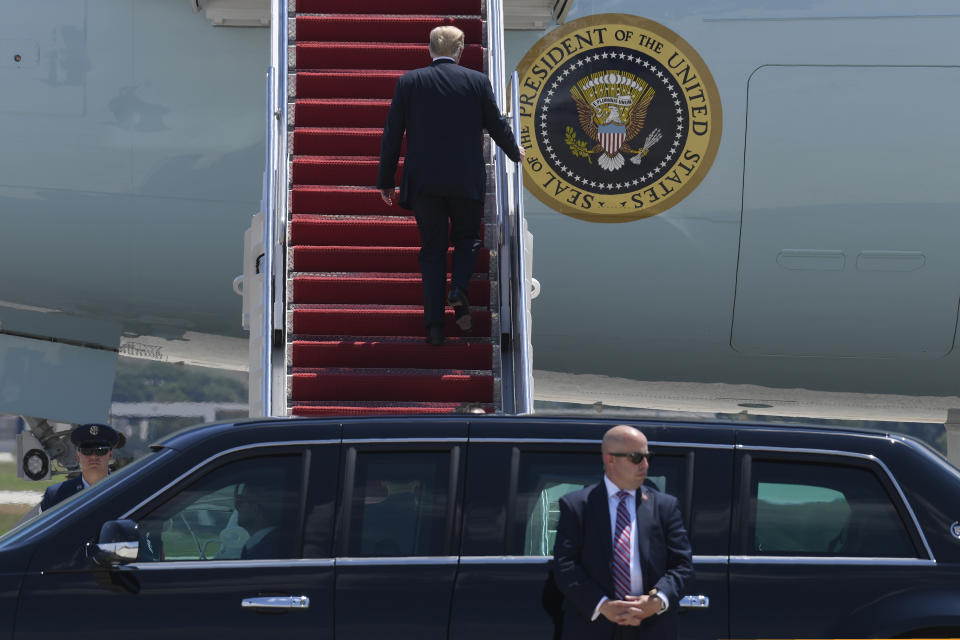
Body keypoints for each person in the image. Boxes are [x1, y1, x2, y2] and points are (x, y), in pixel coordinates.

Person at [377, 25, 525, 346]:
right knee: (468, 239)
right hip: (465, 180)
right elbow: (497, 124)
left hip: (424, 184)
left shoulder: (409, 83)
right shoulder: (476, 82)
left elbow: (392, 135)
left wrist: (386, 181)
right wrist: (515, 153)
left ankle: (434, 327)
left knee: (432, 250)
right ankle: (457, 287)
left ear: (429, 49)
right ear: (460, 51)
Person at [552, 425, 693, 640]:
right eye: (636, 457)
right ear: (610, 460)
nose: (645, 464)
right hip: (593, 626)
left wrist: (656, 601)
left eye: (648, 457)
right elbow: (565, 565)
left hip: (652, 628)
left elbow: (683, 565)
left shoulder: (664, 506)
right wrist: (603, 605)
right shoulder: (577, 505)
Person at [39, 423, 123, 512]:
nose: (93, 457)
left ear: (110, 454)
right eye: (87, 451)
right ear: (78, 456)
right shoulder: (56, 495)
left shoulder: (124, 490)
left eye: (100, 451)